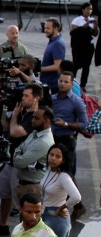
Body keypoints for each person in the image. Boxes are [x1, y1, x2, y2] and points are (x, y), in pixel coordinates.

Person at [0, 83, 44, 237]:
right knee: (5, 195)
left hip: (20, 165)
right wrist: (4, 109)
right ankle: (2, 224)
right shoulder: (22, 111)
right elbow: (6, 126)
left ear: (36, 98)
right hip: (9, 160)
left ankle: (23, 234)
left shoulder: (35, 117)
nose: (23, 98)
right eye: (23, 95)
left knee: (21, 202)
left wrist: (16, 115)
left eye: (26, 96)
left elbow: (15, 132)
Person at [40, 144, 81, 237]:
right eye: (52, 155)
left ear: (63, 160)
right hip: (44, 215)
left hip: (56, 219)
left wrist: (62, 207)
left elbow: (76, 197)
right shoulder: (48, 171)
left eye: (58, 156)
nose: (53, 159)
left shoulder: (64, 177)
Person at [51, 71, 88, 220]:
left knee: (67, 174)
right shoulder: (52, 99)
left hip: (67, 140)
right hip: (53, 139)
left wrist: (66, 124)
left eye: (66, 82)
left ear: (72, 84)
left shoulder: (76, 101)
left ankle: (79, 205)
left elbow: (84, 124)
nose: (62, 84)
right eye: (61, 81)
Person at [11, 107, 55, 199]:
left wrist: (19, 155)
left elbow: (19, 162)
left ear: (47, 121)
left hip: (32, 188)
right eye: (33, 117)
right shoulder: (34, 133)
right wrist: (20, 154)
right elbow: (19, 148)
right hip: (24, 185)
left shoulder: (44, 142)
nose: (32, 120)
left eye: (37, 118)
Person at [70, 2, 99, 90]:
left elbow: (95, 34)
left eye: (91, 9)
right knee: (75, 65)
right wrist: (83, 27)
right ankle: (72, 82)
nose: (89, 11)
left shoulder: (92, 20)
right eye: (87, 9)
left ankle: (83, 85)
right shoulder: (77, 20)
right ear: (83, 9)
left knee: (86, 66)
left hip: (88, 46)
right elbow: (73, 33)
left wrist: (95, 26)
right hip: (78, 46)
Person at [41, 17, 66, 93]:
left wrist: (39, 69)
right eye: (45, 28)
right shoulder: (52, 41)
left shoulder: (57, 44)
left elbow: (57, 66)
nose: (45, 30)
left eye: (48, 28)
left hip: (52, 84)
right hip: (47, 82)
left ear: (56, 28)